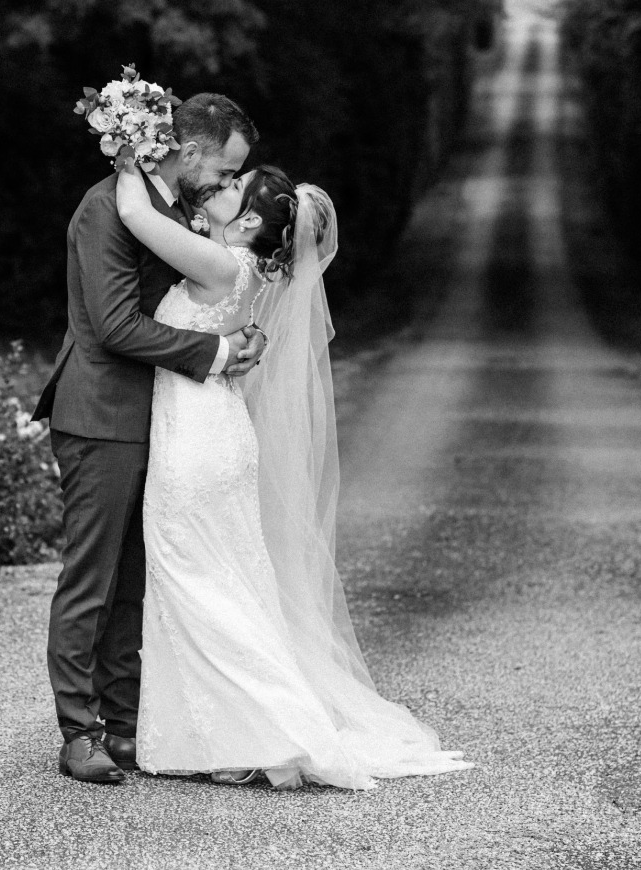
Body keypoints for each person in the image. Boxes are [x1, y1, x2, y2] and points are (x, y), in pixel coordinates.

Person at [115, 160, 473, 789]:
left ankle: (265, 727)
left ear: (250, 218)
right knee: (220, 582)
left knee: (197, 581)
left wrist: (128, 151)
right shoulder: (253, 275)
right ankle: (222, 732)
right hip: (215, 430)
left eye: (232, 187)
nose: (221, 189)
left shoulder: (221, 265)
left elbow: (134, 215)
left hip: (197, 439)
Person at [32, 93, 269, 784]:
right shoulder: (107, 208)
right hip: (100, 415)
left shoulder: (166, 212)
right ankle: (78, 732)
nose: (225, 184)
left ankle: (125, 726)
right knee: (92, 580)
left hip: (159, 420)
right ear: (189, 150)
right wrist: (217, 354)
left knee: (133, 582)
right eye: (224, 169)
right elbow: (112, 325)